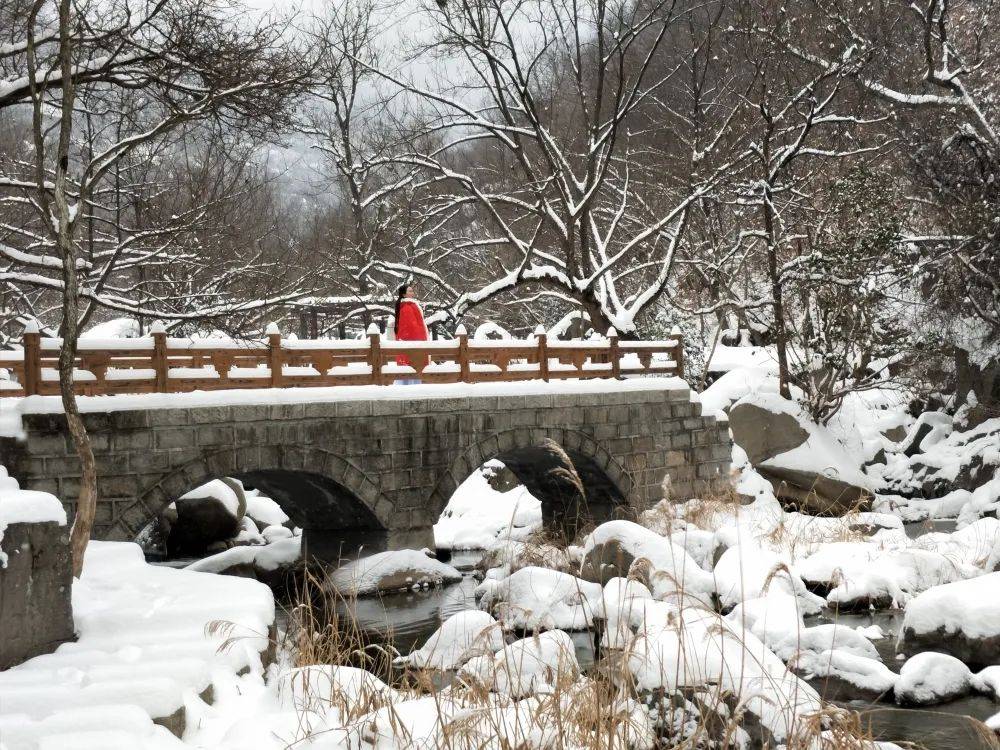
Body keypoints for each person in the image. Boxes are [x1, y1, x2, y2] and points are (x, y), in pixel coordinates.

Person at [393, 283, 428, 384]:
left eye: (412, 291)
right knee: (413, 366)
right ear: (404, 294)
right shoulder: (407, 307)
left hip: (411, 343)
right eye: (410, 291)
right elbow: (411, 329)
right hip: (413, 343)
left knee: (411, 368)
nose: (413, 293)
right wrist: (421, 340)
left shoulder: (408, 306)